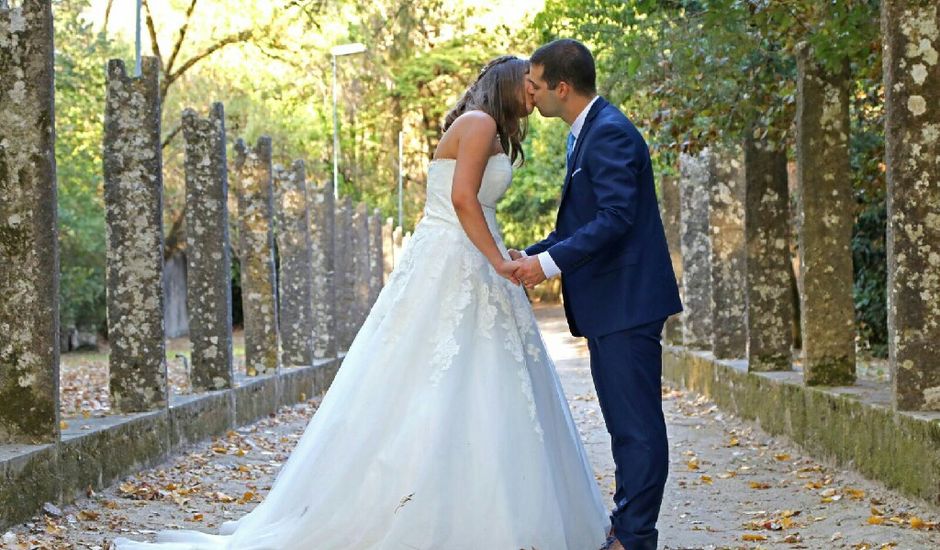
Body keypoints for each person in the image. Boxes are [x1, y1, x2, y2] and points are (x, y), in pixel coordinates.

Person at [113, 55, 609, 550]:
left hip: (471, 255)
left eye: (536, 84)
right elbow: (462, 200)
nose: (532, 92)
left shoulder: (491, 130)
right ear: (505, 84)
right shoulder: (478, 124)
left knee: (484, 377)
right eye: (526, 83)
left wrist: (504, 255)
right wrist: (499, 262)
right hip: (456, 257)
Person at [510, 39, 683, 550]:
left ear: (562, 88)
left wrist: (545, 265)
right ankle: (627, 526)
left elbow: (614, 219)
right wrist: (533, 253)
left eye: (536, 85)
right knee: (624, 425)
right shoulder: (587, 133)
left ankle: (634, 537)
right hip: (614, 304)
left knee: (636, 427)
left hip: (627, 302)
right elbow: (583, 222)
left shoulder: (609, 133)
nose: (531, 95)